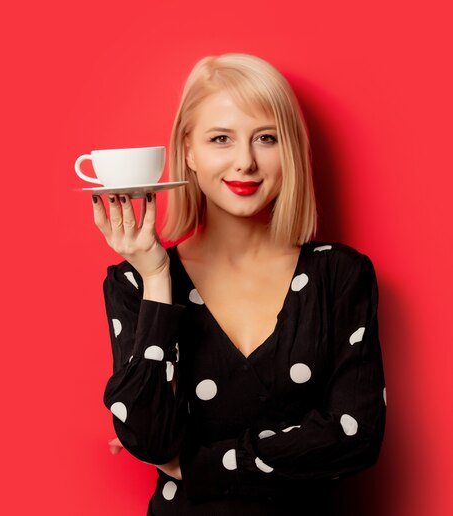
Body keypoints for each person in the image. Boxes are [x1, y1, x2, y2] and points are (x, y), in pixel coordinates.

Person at [91, 53, 386, 515]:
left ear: (289, 148)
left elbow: (355, 435)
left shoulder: (340, 275)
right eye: (221, 139)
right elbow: (149, 439)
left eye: (265, 138)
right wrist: (154, 276)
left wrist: (201, 464)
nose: (245, 162)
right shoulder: (136, 283)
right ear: (187, 149)